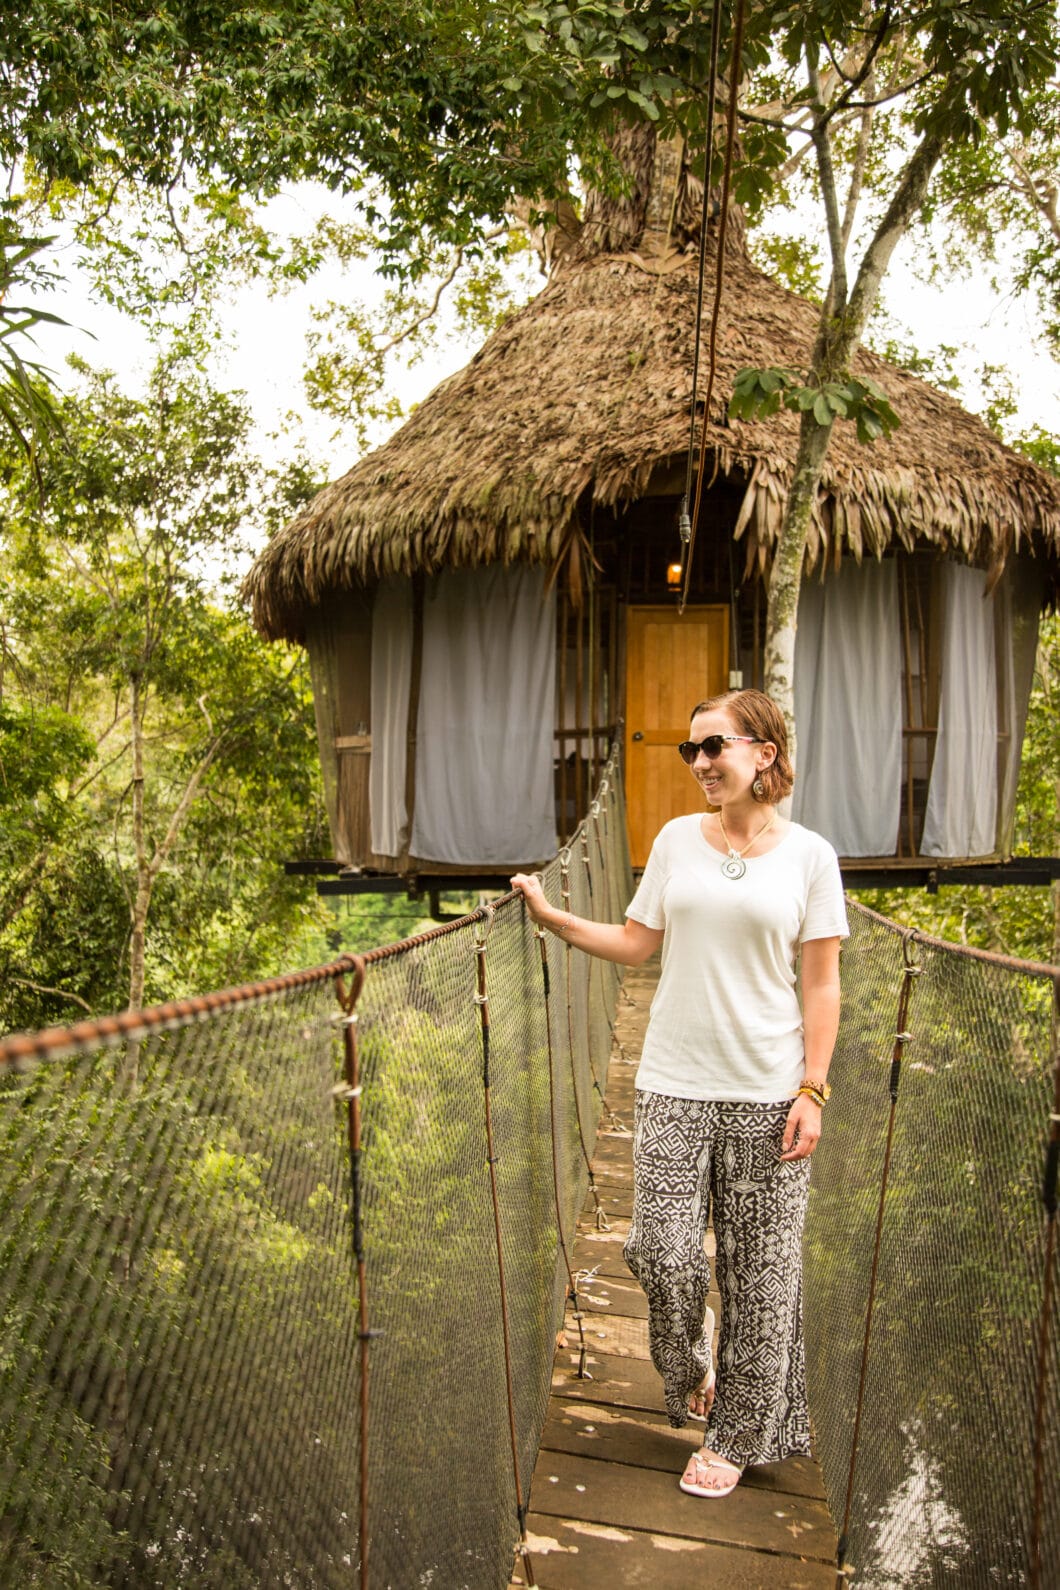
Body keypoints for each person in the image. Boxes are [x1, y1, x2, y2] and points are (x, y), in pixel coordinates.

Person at [512, 688, 847, 1498]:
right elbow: (636, 943)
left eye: (714, 747)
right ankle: (691, 1359)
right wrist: (555, 919)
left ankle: (733, 1436)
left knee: (760, 1275)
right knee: (659, 1251)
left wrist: (813, 1088)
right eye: (690, 752)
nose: (699, 764)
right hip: (671, 1080)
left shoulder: (811, 857)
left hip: (770, 1089)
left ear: (763, 753)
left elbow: (823, 985)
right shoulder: (672, 841)